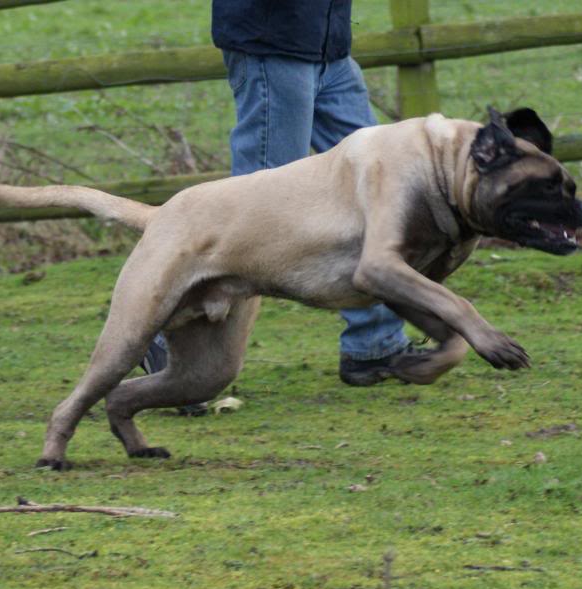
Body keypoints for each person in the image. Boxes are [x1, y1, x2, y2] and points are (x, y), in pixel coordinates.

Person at [142, 0, 419, 404]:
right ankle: (171, 350)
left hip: (327, 47)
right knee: (253, 221)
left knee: (375, 189)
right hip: (273, 46)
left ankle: (375, 343)